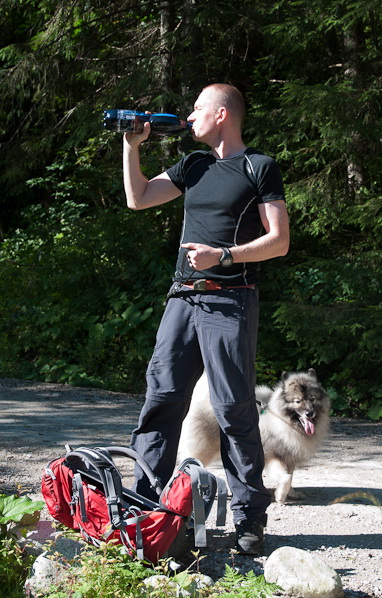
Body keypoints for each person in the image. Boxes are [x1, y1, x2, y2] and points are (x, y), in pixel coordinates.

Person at [122, 83, 290, 555]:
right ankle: (145, 505)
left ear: (221, 114)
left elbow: (279, 240)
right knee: (161, 399)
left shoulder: (258, 166)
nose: (188, 116)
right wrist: (129, 147)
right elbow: (138, 198)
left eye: (197, 108)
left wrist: (225, 255)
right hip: (183, 300)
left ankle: (249, 521)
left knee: (233, 408)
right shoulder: (194, 166)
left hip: (231, 300)